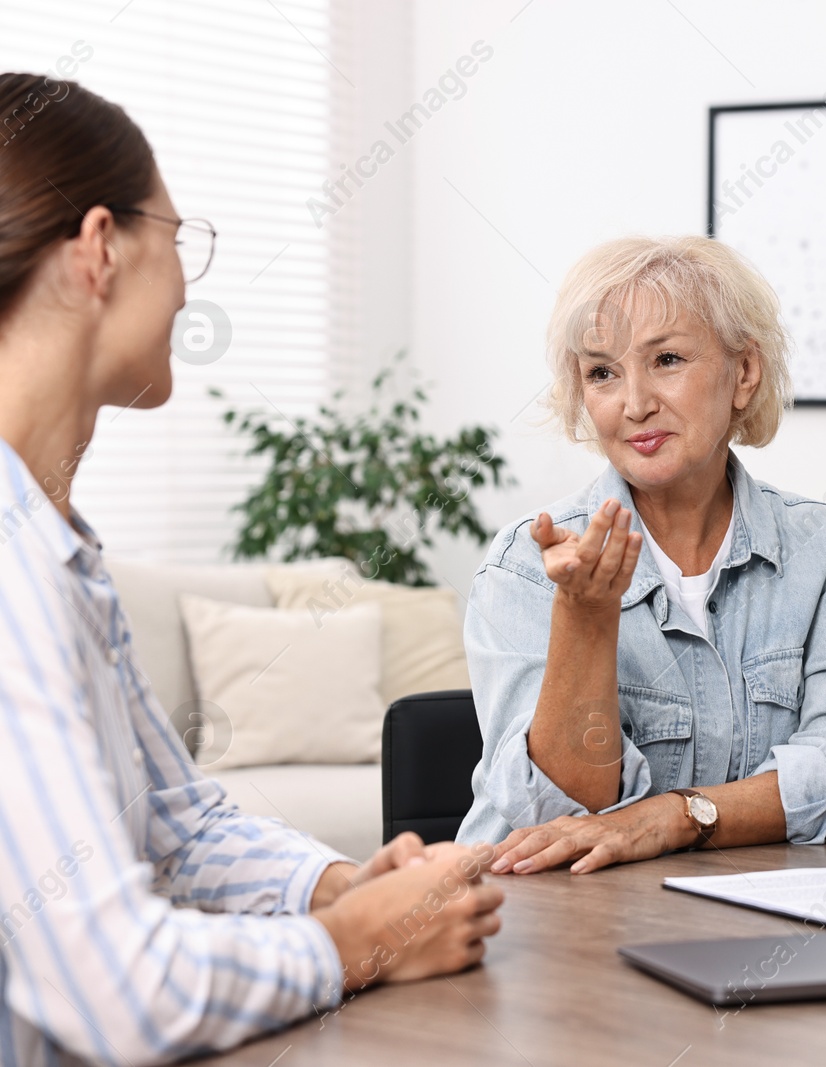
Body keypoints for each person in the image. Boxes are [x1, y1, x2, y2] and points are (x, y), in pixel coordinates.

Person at [0, 74, 502, 1066]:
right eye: (178, 238)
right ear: (99, 248)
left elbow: (177, 823)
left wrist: (338, 886)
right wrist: (358, 942)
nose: (188, 283)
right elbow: (117, 995)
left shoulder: (60, 550)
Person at [458, 235, 826, 874]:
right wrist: (585, 617)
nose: (634, 403)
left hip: (737, 919)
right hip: (545, 923)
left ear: (743, 373)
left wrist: (678, 815)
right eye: (602, 372)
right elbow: (558, 814)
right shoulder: (525, 563)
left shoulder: (822, 545)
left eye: (666, 359)